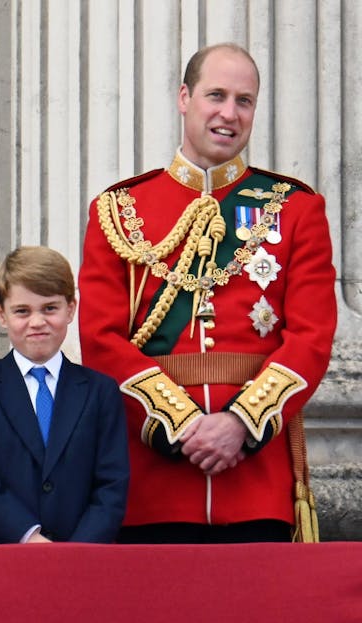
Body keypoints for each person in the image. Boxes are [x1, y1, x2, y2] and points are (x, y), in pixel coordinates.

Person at [78, 43, 336, 543]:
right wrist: (182, 428)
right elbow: (101, 340)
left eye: (245, 100)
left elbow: (312, 338)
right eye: (216, 95)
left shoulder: (296, 209)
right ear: (183, 97)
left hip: (255, 484)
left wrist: (240, 423)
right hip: (152, 487)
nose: (229, 113)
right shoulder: (119, 209)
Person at [0, 246, 128, 544]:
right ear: (1, 314)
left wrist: (76, 551)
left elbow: (112, 484)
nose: (37, 322)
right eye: (22, 311)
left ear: (71, 309)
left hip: (79, 557)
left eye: (49, 308)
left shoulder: (100, 391)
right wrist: (29, 536)